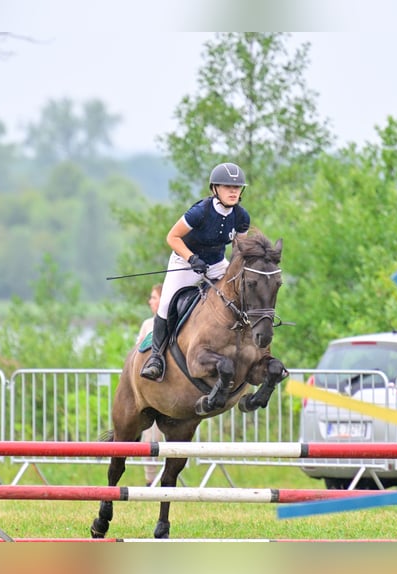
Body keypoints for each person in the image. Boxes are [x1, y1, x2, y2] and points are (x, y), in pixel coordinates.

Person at [140, 161, 250, 381]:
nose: (233, 192)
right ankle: (156, 358)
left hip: (217, 263)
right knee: (165, 303)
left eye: (236, 188)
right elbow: (172, 237)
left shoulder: (241, 217)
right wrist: (191, 258)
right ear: (215, 189)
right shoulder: (200, 212)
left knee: (242, 296)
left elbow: (240, 250)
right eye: (227, 187)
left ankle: (249, 347)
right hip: (185, 261)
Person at [136, 283, 164, 485]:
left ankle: (165, 479)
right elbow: (137, 353)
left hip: (166, 390)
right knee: (149, 440)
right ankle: (149, 480)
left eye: (154, 297)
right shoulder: (147, 324)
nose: (150, 301)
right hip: (148, 391)